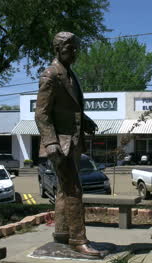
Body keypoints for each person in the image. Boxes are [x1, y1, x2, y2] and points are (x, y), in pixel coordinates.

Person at [35, 32, 100, 257]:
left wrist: (86, 121)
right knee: (73, 190)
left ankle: (61, 233)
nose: (74, 52)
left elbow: (71, 109)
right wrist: (50, 141)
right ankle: (77, 240)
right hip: (59, 144)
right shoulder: (50, 75)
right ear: (58, 49)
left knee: (64, 189)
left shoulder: (70, 75)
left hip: (73, 142)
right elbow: (41, 114)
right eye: (70, 48)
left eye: (76, 48)